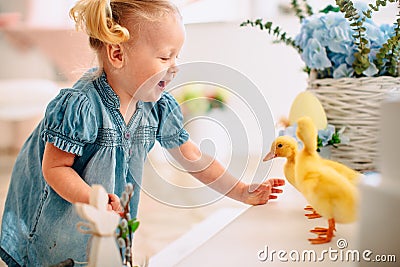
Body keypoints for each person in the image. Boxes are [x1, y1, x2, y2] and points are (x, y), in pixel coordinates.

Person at [0, 0, 285, 266]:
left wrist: (241, 191)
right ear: (117, 54)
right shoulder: (82, 106)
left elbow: (193, 157)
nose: (174, 67)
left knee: (107, 253)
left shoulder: (155, 107)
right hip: (61, 219)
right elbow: (54, 168)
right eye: (164, 57)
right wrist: (91, 199)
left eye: (176, 56)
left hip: (109, 217)